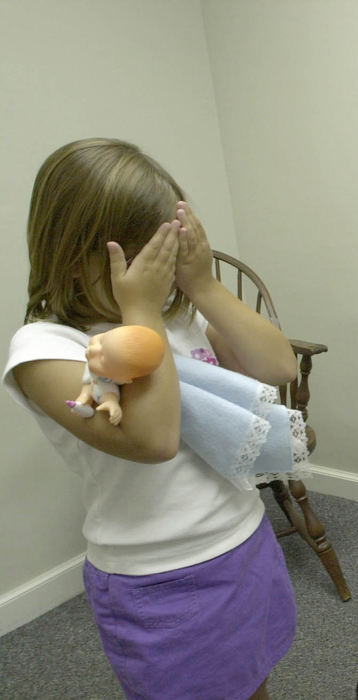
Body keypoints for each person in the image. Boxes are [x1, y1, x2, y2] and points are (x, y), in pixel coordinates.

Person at [3, 138, 300, 700]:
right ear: (73, 254)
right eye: (148, 254)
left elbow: (277, 366)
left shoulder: (179, 318)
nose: (162, 270)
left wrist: (203, 285)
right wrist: (140, 311)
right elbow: (154, 438)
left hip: (242, 538)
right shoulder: (46, 349)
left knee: (254, 678)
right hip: (160, 578)